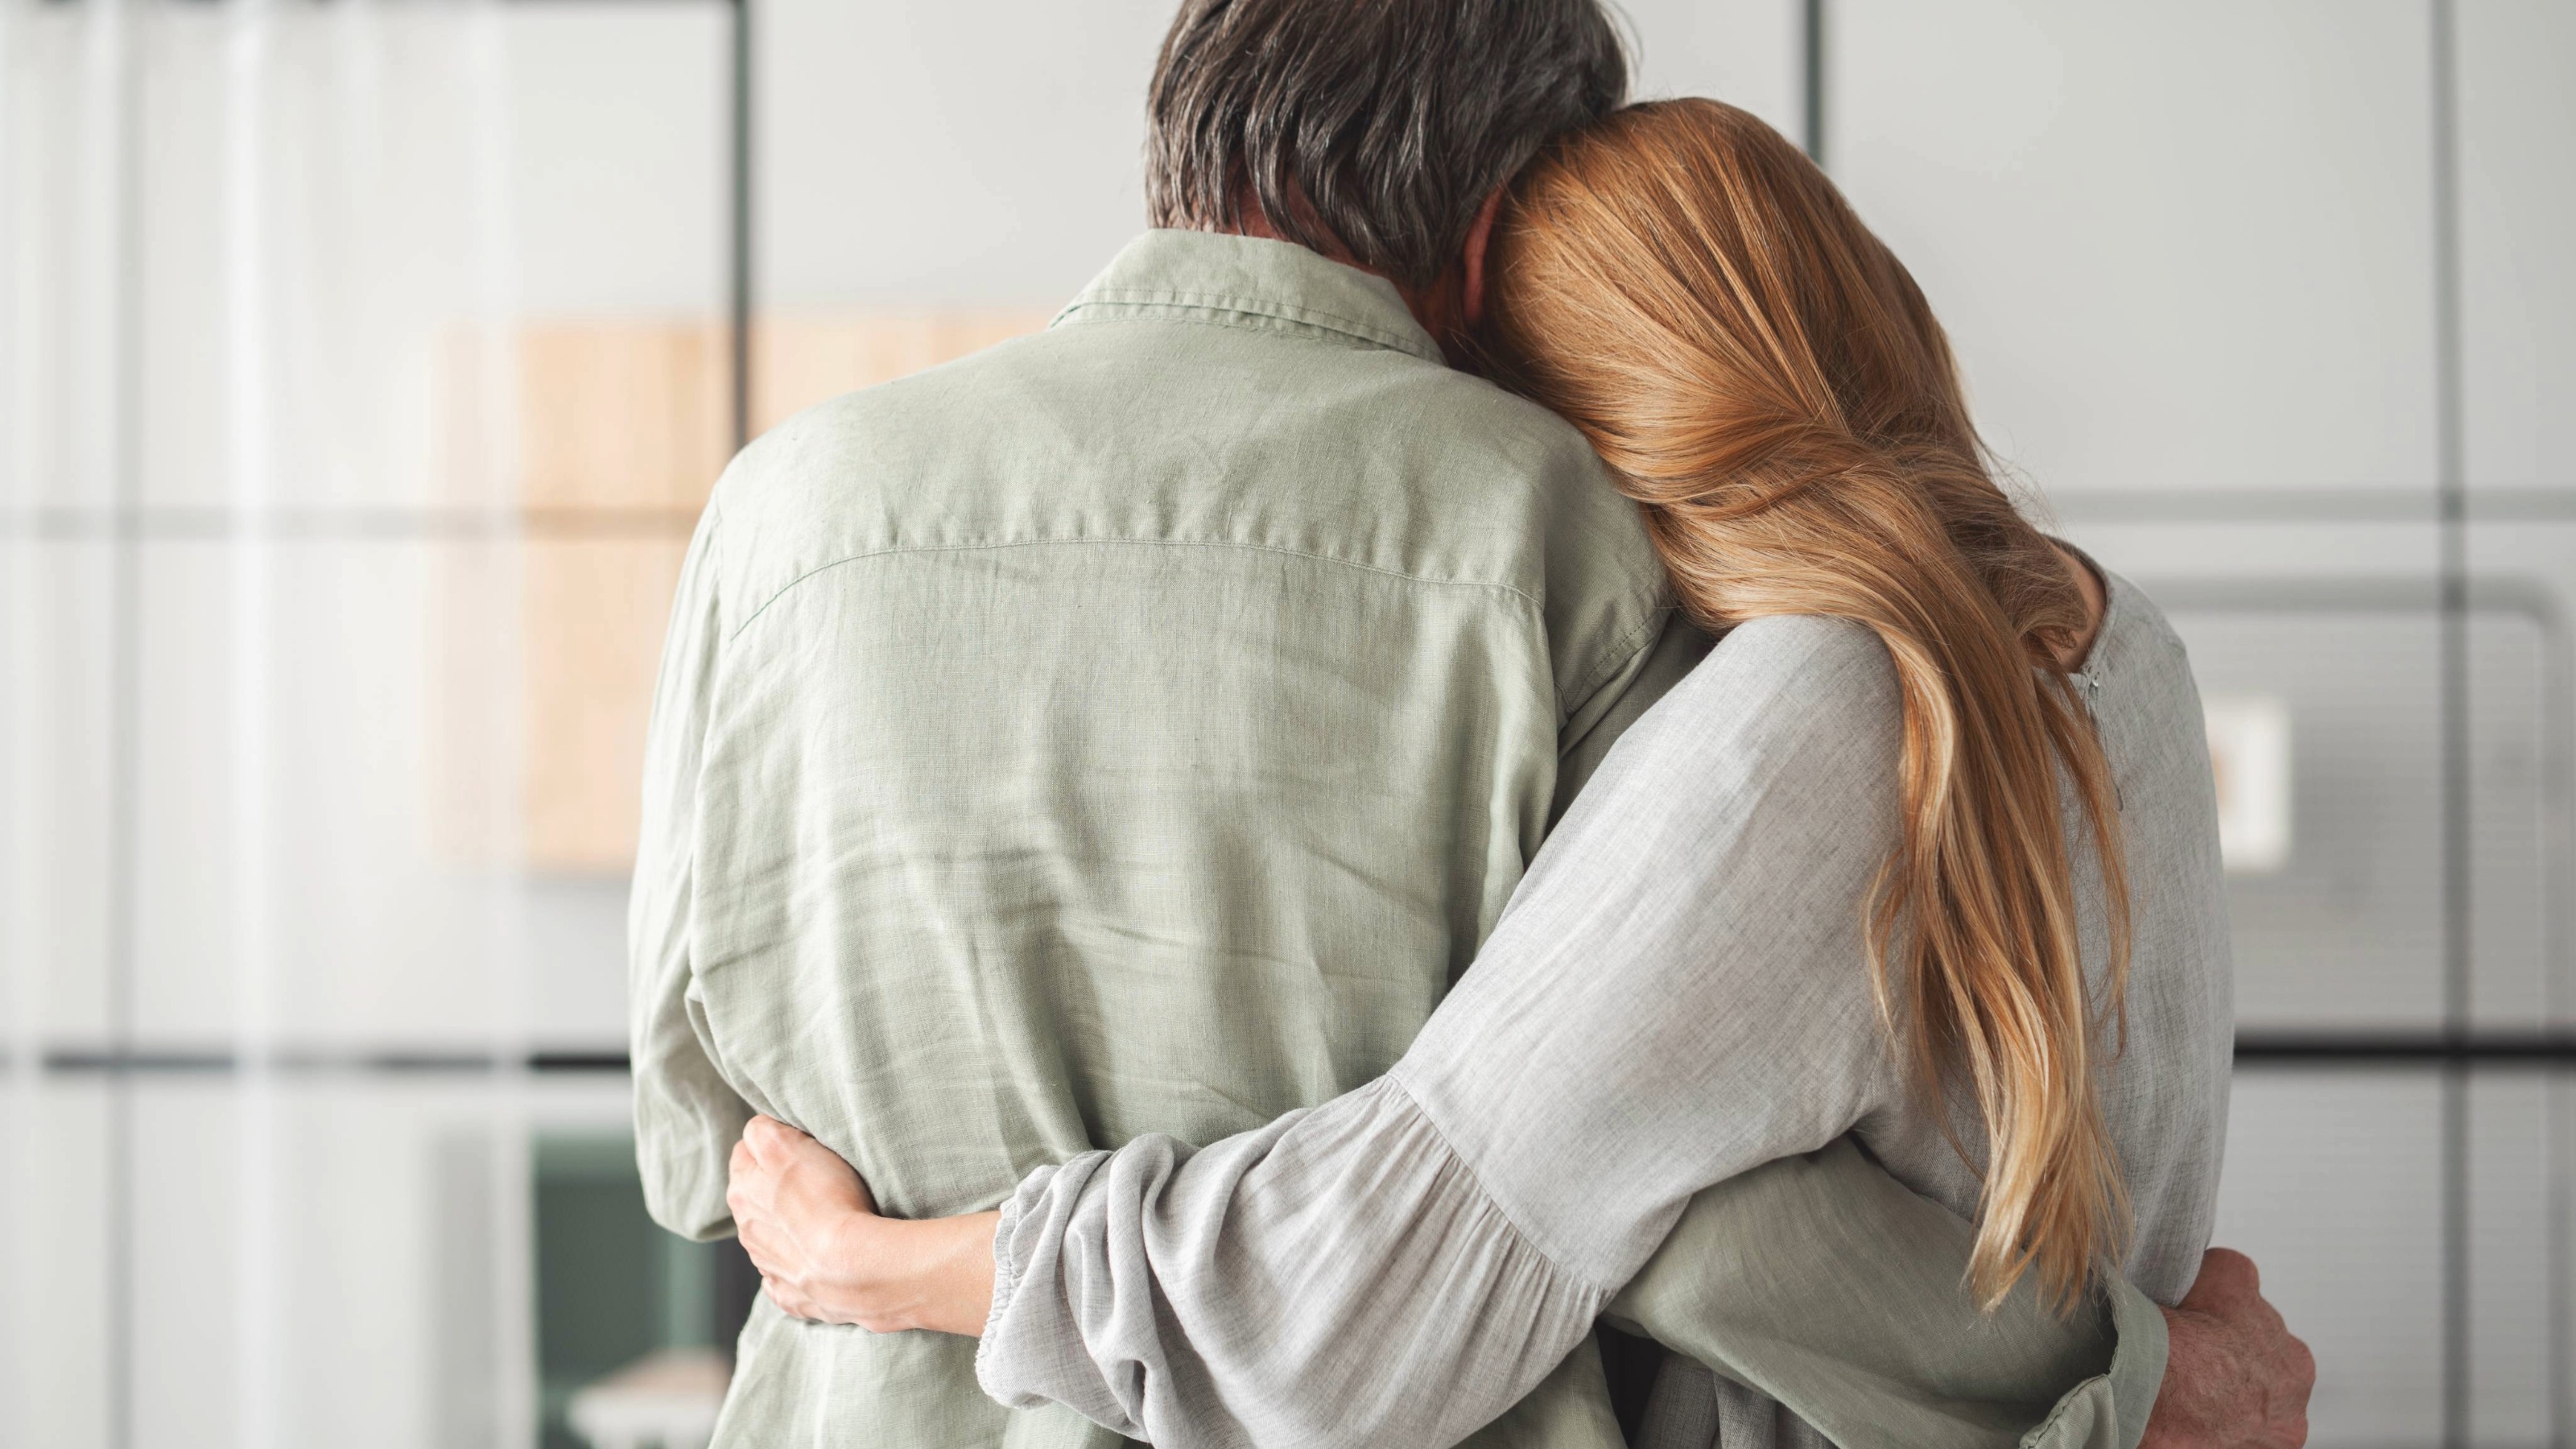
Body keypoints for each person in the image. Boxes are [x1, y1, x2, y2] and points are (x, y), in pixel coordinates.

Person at [634, 0, 2308, 1443]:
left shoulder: (773, 505)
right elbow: (1671, 1209)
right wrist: (2122, 1379)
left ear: (1180, 135)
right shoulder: (1567, 526)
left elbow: (688, 1142)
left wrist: (888, 1247)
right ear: (1498, 231)